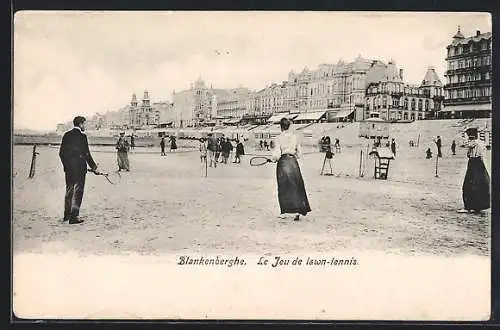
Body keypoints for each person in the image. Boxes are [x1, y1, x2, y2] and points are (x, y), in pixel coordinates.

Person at [58, 116, 99, 224]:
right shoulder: (83, 137)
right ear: (80, 124)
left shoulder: (66, 135)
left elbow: (61, 153)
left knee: (69, 190)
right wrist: (93, 166)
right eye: (84, 124)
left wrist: (66, 165)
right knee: (78, 192)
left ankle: (66, 215)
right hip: (80, 168)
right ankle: (74, 217)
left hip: (69, 169)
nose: (85, 126)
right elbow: (86, 153)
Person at [271, 118, 311, 221]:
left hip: (283, 162)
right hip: (293, 162)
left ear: (281, 127)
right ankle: (298, 211)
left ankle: (284, 211)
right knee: (296, 186)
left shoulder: (278, 138)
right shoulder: (295, 137)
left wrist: (273, 159)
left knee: (283, 186)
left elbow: (276, 154)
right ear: (289, 126)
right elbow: (299, 153)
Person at [460, 128, 490, 214]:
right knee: (480, 184)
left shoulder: (474, 142)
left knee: (469, 184)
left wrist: (465, 137)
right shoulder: (480, 142)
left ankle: (469, 206)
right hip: (479, 163)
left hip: (474, 162)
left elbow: (464, 144)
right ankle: (479, 206)